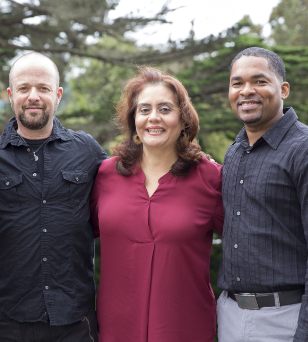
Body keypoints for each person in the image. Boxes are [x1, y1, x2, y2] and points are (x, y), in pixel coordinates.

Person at [217, 47, 308, 342]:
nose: (246, 91)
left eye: (259, 81)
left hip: (289, 319)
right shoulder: (235, 152)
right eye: (237, 83)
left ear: (283, 89)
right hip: (231, 315)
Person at [0, 52, 106, 342]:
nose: (33, 96)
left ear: (57, 95)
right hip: (12, 319)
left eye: (43, 88)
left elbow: (132, 182)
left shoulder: (87, 150)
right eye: (24, 88)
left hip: (76, 318)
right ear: (11, 95)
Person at [89, 67, 223, 342]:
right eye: (144, 109)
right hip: (116, 330)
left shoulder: (211, 178)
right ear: (133, 119)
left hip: (187, 329)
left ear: (183, 119)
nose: (153, 118)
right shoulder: (105, 175)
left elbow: (243, 245)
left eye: (165, 109)